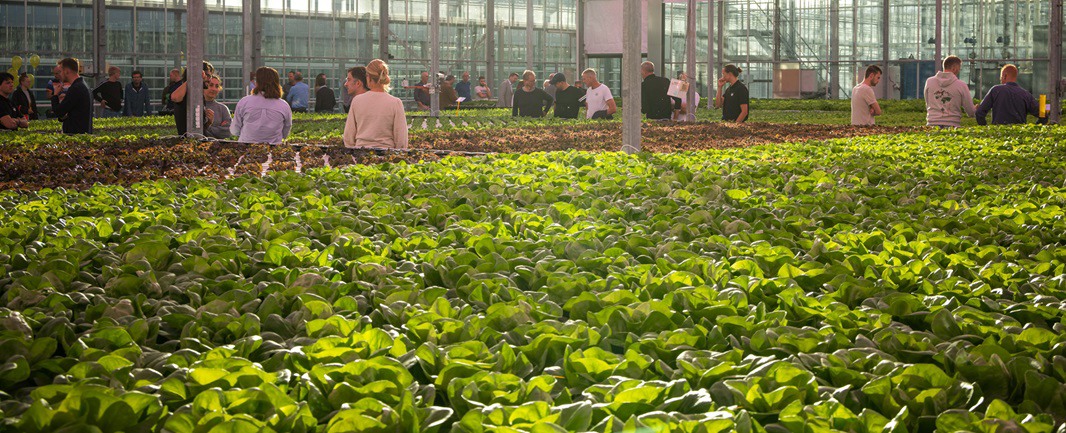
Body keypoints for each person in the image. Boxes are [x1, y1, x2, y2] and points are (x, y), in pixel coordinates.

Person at [344, 59, 408, 149]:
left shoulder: (357, 101)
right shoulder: (395, 103)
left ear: (368, 77)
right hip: (387, 155)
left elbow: (349, 135)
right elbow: (401, 138)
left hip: (361, 153)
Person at [231, 67, 292, 144]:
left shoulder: (244, 102)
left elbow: (235, 130)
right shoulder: (283, 105)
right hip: (273, 150)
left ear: (257, 82)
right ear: (277, 83)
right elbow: (286, 131)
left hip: (245, 148)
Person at [975, 64, 1041, 126]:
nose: (1000, 79)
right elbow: (1042, 115)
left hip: (998, 133)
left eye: (1001, 77)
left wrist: (986, 128)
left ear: (1005, 76)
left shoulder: (996, 90)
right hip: (1018, 134)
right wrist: (1034, 128)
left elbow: (979, 113)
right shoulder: (1026, 94)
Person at [925, 55, 976, 128]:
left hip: (931, 125)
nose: (959, 71)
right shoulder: (961, 85)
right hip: (952, 125)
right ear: (954, 68)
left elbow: (928, 103)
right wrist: (975, 110)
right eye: (959, 68)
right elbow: (970, 112)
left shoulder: (929, 82)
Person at [170, 60, 215, 135]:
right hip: (188, 142)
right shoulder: (186, 92)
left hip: (199, 141)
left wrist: (209, 122)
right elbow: (174, 97)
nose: (209, 79)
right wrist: (194, 77)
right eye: (207, 75)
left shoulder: (199, 96)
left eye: (210, 76)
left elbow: (198, 128)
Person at [50, 58, 93, 134]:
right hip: (82, 134)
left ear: (67, 71)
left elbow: (58, 112)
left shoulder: (76, 88)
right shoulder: (83, 85)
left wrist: (55, 95)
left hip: (75, 135)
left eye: (60, 71)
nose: (59, 75)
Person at [203, 74, 232, 139]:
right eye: (211, 85)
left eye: (217, 86)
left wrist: (209, 127)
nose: (214, 89)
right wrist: (217, 128)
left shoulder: (223, 109)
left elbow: (228, 132)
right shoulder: (196, 107)